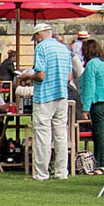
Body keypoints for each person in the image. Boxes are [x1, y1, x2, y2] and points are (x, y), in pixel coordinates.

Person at [28, 24, 73, 179]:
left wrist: (25, 77)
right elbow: (69, 77)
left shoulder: (41, 48)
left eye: (34, 37)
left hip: (45, 96)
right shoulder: (64, 48)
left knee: (42, 135)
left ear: (39, 34)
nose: (35, 40)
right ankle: (61, 172)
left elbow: (40, 75)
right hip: (62, 94)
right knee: (61, 134)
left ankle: (41, 173)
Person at [78, 33, 104, 170]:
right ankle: (98, 161)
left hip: (97, 102)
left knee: (99, 134)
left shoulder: (91, 64)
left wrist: (85, 108)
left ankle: (103, 164)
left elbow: (89, 87)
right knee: (100, 133)